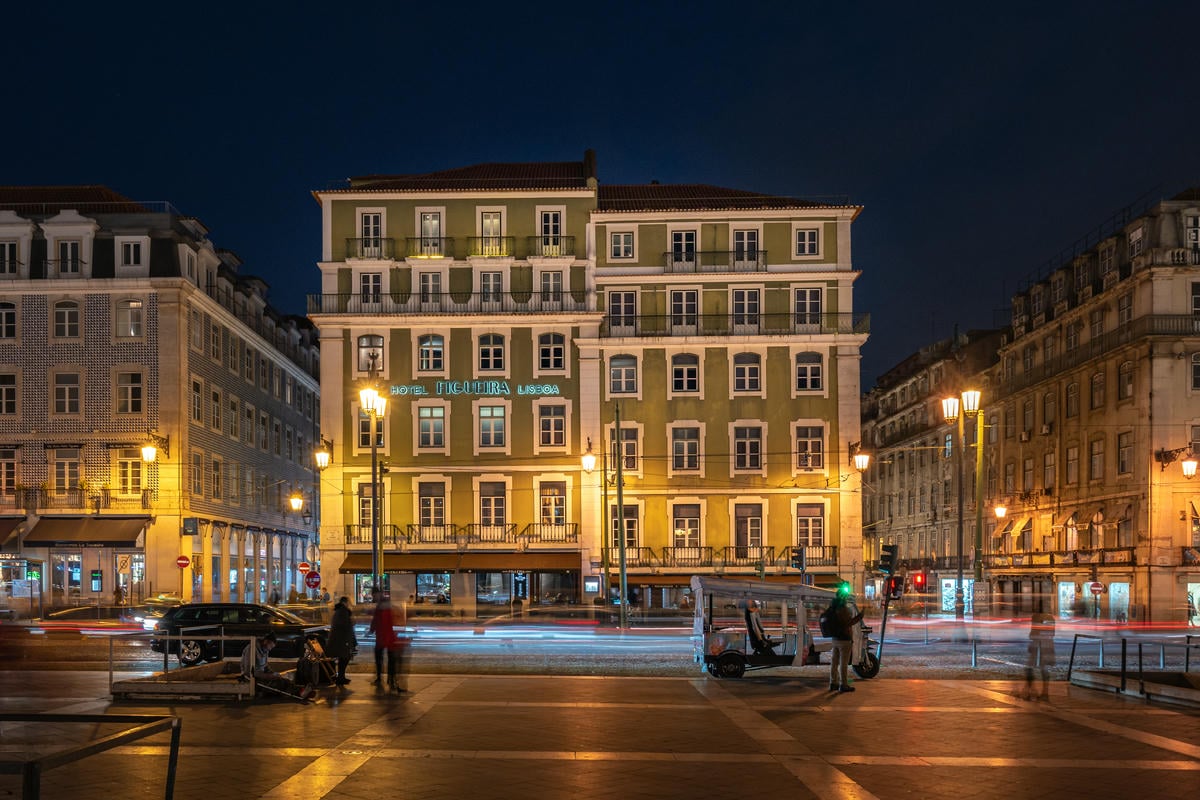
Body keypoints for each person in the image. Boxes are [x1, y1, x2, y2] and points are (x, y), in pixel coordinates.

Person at [240, 632, 313, 700]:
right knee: (279, 683)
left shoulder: (265, 649)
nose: (270, 649)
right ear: (266, 641)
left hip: (261, 676)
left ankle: (301, 689)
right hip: (252, 679)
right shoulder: (251, 649)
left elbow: (265, 666)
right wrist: (268, 676)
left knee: (284, 680)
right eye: (270, 647)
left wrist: (273, 673)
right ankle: (299, 693)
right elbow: (249, 671)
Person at [828, 582, 863, 693]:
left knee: (834, 662)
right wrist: (860, 616)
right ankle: (844, 685)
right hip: (844, 639)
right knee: (843, 664)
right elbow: (848, 623)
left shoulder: (832, 608)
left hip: (835, 639)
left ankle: (833, 683)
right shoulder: (843, 609)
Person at [368, 589, 403, 692]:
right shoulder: (385, 605)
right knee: (387, 659)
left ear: (377, 594)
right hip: (386, 636)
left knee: (383, 659)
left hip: (384, 637)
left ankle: (387, 679)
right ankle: (389, 679)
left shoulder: (382, 607)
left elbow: (378, 620)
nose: (374, 597)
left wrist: (372, 630)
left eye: (374, 595)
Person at [1025, 608, 1056, 700]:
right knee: (1043, 669)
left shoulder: (1035, 617)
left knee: (1030, 668)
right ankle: (1044, 692)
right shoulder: (1050, 618)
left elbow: (1032, 634)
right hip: (1047, 646)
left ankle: (1031, 691)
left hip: (1038, 646)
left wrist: (1035, 635)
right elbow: (1052, 633)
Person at [326, 596, 357, 686]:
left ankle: (341, 677)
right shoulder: (343, 611)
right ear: (345, 602)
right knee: (344, 658)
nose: (349, 604)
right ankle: (340, 678)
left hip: (340, 639)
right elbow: (344, 625)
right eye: (348, 602)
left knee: (344, 659)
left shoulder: (341, 611)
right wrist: (352, 622)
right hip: (341, 640)